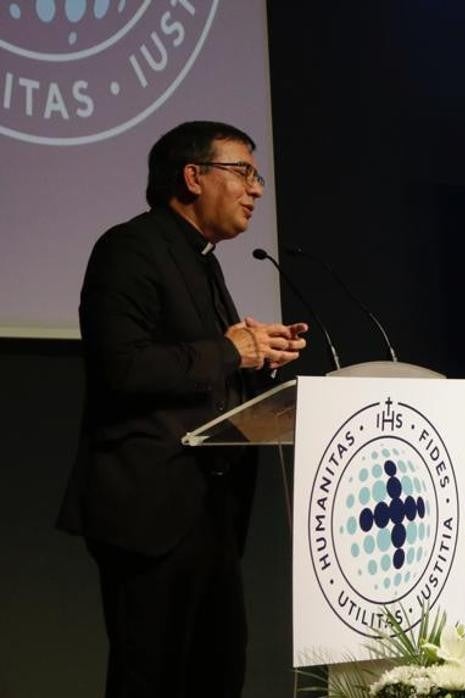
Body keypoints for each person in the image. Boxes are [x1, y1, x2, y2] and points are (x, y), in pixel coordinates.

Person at [57, 121, 308, 698]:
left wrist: (258, 357)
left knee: (217, 673)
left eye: (257, 175)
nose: (257, 189)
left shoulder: (203, 260)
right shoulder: (129, 248)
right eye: (242, 171)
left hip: (209, 513)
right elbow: (123, 368)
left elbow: (202, 367)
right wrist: (227, 349)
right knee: (153, 678)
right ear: (193, 177)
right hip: (149, 512)